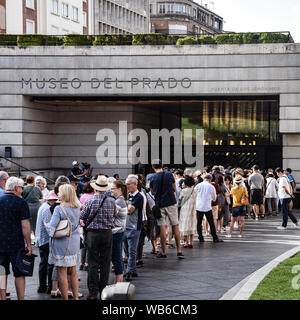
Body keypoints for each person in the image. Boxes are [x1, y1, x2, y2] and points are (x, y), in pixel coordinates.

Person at [80, 175, 116, 300]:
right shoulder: (112, 201)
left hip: (93, 234)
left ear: (95, 189)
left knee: (92, 263)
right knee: (106, 262)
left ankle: (93, 291)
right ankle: (104, 289)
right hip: (107, 233)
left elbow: (82, 216)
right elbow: (114, 215)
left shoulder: (90, 201)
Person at [45, 184, 81, 300]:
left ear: (64, 194)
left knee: (62, 272)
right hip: (74, 242)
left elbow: (52, 228)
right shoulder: (77, 207)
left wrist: (46, 225)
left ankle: (65, 298)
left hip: (62, 244)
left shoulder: (59, 209)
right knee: (73, 272)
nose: (58, 194)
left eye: (60, 192)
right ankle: (75, 297)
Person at [0, 177, 32, 300]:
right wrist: (28, 244)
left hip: (0, 242)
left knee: (1, 272)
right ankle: (21, 298)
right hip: (16, 243)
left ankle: (2, 297)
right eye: (21, 187)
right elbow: (25, 225)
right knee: (19, 273)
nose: (22, 190)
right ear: (16, 188)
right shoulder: (21, 202)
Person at [150, 159, 184, 259]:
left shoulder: (152, 177)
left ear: (153, 167)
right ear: (162, 165)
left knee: (162, 227)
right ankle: (179, 251)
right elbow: (174, 188)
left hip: (160, 204)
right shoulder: (169, 174)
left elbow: (152, 192)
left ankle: (164, 252)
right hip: (171, 203)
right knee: (175, 226)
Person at [35, 191, 58, 294]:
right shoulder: (48, 209)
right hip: (46, 240)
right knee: (49, 263)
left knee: (43, 263)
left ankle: (42, 286)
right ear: (51, 200)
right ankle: (49, 287)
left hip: (40, 238)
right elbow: (49, 226)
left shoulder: (42, 206)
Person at [123, 176, 144, 281]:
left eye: (128, 184)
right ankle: (133, 270)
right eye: (126, 184)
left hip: (134, 227)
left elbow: (129, 210)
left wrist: (122, 207)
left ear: (135, 184)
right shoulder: (129, 195)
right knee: (127, 251)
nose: (126, 186)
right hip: (126, 226)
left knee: (131, 251)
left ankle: (129, 271)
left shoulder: (139, 196)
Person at [195, 174, 223, 243]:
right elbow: (214, 198)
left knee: (199, 222)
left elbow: (194, 195)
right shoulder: (211, 187)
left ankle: (200, 237)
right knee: (211, 222)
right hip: (207, 206)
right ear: (210, 179)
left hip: (198, 206)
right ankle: (214, 237)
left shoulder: (198, 186)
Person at [110, 180, 128, 283]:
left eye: (113, 189)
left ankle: (119, 282)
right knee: (118, 257)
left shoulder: (118, 202)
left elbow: (111, 215)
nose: (111, 191)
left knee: (117, 257)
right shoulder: (121, 200)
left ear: (119, 189)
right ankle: (119, 281)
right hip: (120, 231)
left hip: (117, 232)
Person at [79, 182, 95, 272]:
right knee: (90, 243)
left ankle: (82, 262)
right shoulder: (93, 197)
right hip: (90, 222)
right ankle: (87, 262)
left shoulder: (82, 197)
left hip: (83, 222)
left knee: (85, 242)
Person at [178, 176, 197, 248]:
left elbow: (179, 200)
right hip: (193, 209)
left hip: (185, 209)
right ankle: (191, 242)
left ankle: (186, 242)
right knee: (192, 224)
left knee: (185, 225)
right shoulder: (195, 190)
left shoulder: (183, 191)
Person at [22, 175, 43, 240]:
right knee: (37, 222)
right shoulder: (37, 188)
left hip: (28, 207)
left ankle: (30, 239)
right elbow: (41, 197)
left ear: (26, 181)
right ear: (33, 181)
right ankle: (37, 238)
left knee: (29, 224)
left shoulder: (24, 188)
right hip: (37, 207)